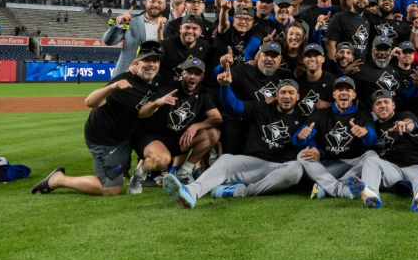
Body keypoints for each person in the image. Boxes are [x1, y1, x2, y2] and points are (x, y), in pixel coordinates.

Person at [31, 42, 164, 196]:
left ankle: (140, 176)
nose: (151, 65)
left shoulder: (155, 80)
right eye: (147, 61)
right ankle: (58, 180)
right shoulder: (123, 81)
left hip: (126, 134)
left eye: (155, 61)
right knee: (111, 189)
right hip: (106, 140)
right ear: (137, 63)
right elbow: (90, 102)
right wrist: (112, 87)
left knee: (156, 142)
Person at [161, 77, 308, 207]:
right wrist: (225, 86)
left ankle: (240, 191)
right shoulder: (262, 107)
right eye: (283, 92)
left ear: (298, 96)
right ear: (276, 95)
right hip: (252, 164)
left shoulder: (303, 117)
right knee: (226, 160)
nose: (287, 96)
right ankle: (191, 192)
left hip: (280, 168)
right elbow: (233, 105)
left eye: (291, 92)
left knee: (296, 169)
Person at [129, 56, 222, 193]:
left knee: (213, 133)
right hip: (153, 137)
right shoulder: (169, 88)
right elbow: (142, 113)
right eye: (189, 72)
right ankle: (138, 176)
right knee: (162, 160)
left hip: (177, 139)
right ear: (182, 74)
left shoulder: (202, 95)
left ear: (202, 77)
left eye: (197, 74)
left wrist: (195, 126)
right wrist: (157, 103)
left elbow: (217, 118)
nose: (193, 76)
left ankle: (183, 173)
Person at [346, 91, 418, 212]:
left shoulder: (404, 116)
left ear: (393, 105)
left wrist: (405, 125)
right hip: (393, 170)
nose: (382, 105)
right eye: (378, 103)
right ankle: (371, 194)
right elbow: (369, 141)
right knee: (370, 161)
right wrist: (363, 132)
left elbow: (411, 125)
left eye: (386, 102)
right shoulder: (373, 127)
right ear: (373, 109)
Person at [294, 76, 381, 202]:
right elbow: (301, 136)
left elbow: (372, 140)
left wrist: (365, 133)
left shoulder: (362, 114)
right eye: (340, 90)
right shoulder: (321, 113)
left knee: (372, 155)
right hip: (326, 166)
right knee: (302, 155)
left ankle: (327, 188)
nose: (344, 92)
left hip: (352, 165)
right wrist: (303, 137)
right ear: (334, 94)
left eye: (348, 90)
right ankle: (340, 189)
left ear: (354, 95)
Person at [103, 0, 168, 75]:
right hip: (128, 75)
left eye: (159, 2)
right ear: (146, 4)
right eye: (152, 1)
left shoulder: (169, 27)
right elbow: (108, 41)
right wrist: (119, 24)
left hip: (156, 77)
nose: (155, 5)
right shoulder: (130, 22)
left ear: (164, 6)